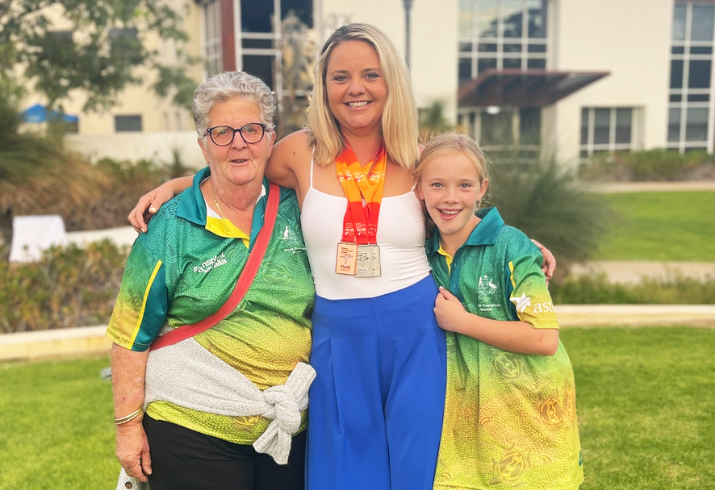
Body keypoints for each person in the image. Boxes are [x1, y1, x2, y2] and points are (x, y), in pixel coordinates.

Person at [127, 24, 556, 490]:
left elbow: (459, 208)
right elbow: (236, 167)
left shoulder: (418, 157)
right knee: (347, 473)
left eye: (370, 75)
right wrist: (176, 188)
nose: (356, 88)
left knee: (418, 467)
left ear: (391, 82)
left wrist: (517, 244)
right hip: (336, 338)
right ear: (324, 87)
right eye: (340, 77)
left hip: (415, 331)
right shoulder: (299, 152)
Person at [108, 71, 315, 490]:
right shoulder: (170, 225)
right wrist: (128, 426)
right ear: (203, 143)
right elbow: (130, 332)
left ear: (271, 138)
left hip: (288, 426)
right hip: (191, 426)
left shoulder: (301, 210)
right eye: (222, 132)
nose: (239, 142)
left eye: (251, 130)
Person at [415, 133, 583, 490]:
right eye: (437, 184)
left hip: (530, 405)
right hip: (468, 414)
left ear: (482, 188)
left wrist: (462, 322)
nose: (449, 197)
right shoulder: (419, 250)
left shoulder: (512, 246)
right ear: (419, 189)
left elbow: (544, 338)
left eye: (464, 185)